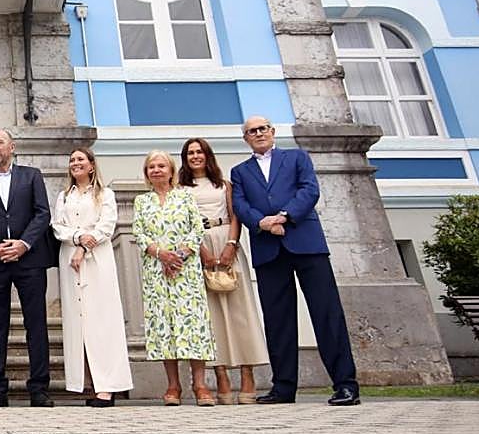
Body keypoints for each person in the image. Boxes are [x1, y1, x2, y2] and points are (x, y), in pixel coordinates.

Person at [230, 116, 360, 406]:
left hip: (306, 243)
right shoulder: (240, 171)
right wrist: (262, 223)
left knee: (327, 314)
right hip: (268, 249)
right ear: (246, 138)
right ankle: (283, 387)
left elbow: (309, 190)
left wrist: (284, 217)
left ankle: (345, 385)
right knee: (278, 321)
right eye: (251, 131)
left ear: (272, 131)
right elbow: (240, 205)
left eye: (262, 128)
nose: (258, 133)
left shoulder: (297, 157)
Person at [0, 129, 54, 408]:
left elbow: (42, 213)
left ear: (12, 147)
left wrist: (23, 244)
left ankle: (39, 388)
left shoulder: (32, 176)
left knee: (36, 324)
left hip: (30, 260)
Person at [180, 137, 269, 405]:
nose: (195, 156)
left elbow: (235, 216)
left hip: (227, 240)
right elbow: (183, 224)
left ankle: (247, 374)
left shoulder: (224, 185)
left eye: (200, 152)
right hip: (199, 245)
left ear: (208, 156)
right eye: (190, 153)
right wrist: (201, 251)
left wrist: (231, 245)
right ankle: (221, 376)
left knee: (241, 311)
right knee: (212, 316)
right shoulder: (180, 189)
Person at [133, 150, 217, 406]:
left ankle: (200, 384)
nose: (156, 170)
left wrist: (178, 256)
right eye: (151, 167)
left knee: (192, 324)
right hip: (156, 271)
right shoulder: (142, 201)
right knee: (164, 325)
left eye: (161, 166)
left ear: (171, 170)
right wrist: (161, 255)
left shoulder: (185, 196)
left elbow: (197, 229)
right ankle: (173, 385)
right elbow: (139, 233)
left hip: (185, 270)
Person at [50, 147, 132, 408]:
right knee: (78, 322)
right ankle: (88, 382)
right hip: (70, 259)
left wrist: (84, 247)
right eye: (72, 160)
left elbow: (106, 225)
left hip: (97, 260)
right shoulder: (64, 196)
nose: (75, 163)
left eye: (80, 159)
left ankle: (108, 386)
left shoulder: (105, 194)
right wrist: (77, 239)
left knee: (102, 321)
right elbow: (57, 226)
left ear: (92, 165)